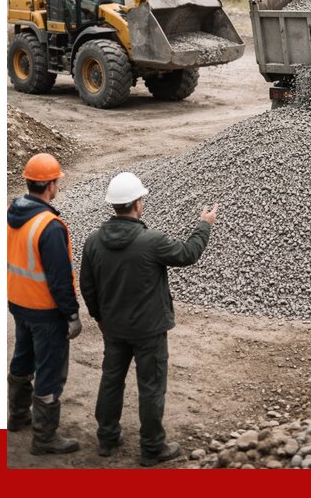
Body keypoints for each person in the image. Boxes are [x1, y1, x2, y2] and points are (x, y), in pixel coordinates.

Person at [80, 172, 216, 467]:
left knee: (111, 380)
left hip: (114, 328)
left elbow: (87, 286)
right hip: (149, 331)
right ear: (137, 203)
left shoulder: (93, 242)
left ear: (114, 205)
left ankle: (107, 438)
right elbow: (188, 254)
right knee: (151, 386)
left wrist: (99, 316)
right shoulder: (151, 241)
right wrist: (204, 225)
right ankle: (152, 447)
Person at [7, 152, 82, 455]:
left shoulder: (11, 213)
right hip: (45, 312)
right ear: (50, 185)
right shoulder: (49, 226)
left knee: (22, 360)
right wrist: (72, 315)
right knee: (49, 373)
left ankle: (17, 415)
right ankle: (44, 438)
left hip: (18, 302)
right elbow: (59, 279)